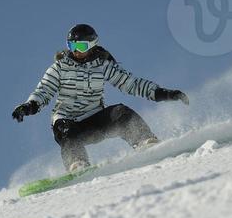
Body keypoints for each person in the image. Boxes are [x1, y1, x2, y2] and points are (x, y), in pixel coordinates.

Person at [12, 23, 189, 172]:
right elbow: (44, 89)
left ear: (91, 45)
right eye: (71, 46)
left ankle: (145, 141)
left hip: (94, 120)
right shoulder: (60, 67)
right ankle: (78, 164)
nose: (76, 52)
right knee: (64, 128)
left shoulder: (103, 65)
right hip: (68, 122)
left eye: (80, 47)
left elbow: (131, 84)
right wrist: (29, 106)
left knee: (121, 112)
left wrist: (163, 93)